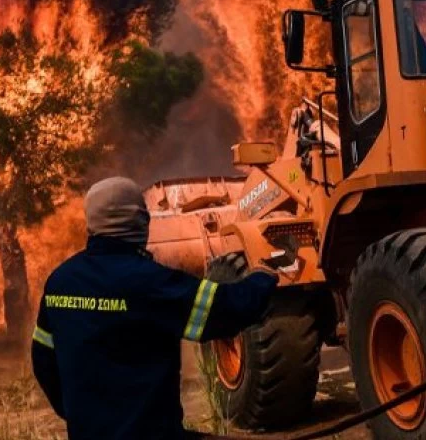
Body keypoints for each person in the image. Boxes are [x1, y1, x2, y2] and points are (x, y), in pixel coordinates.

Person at [31, 177, 278, 440]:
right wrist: (265, 275)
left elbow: (43, 360)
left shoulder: (60, 282)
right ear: (140, 221)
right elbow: (225, 311)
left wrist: (78, 415)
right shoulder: (150, 282)